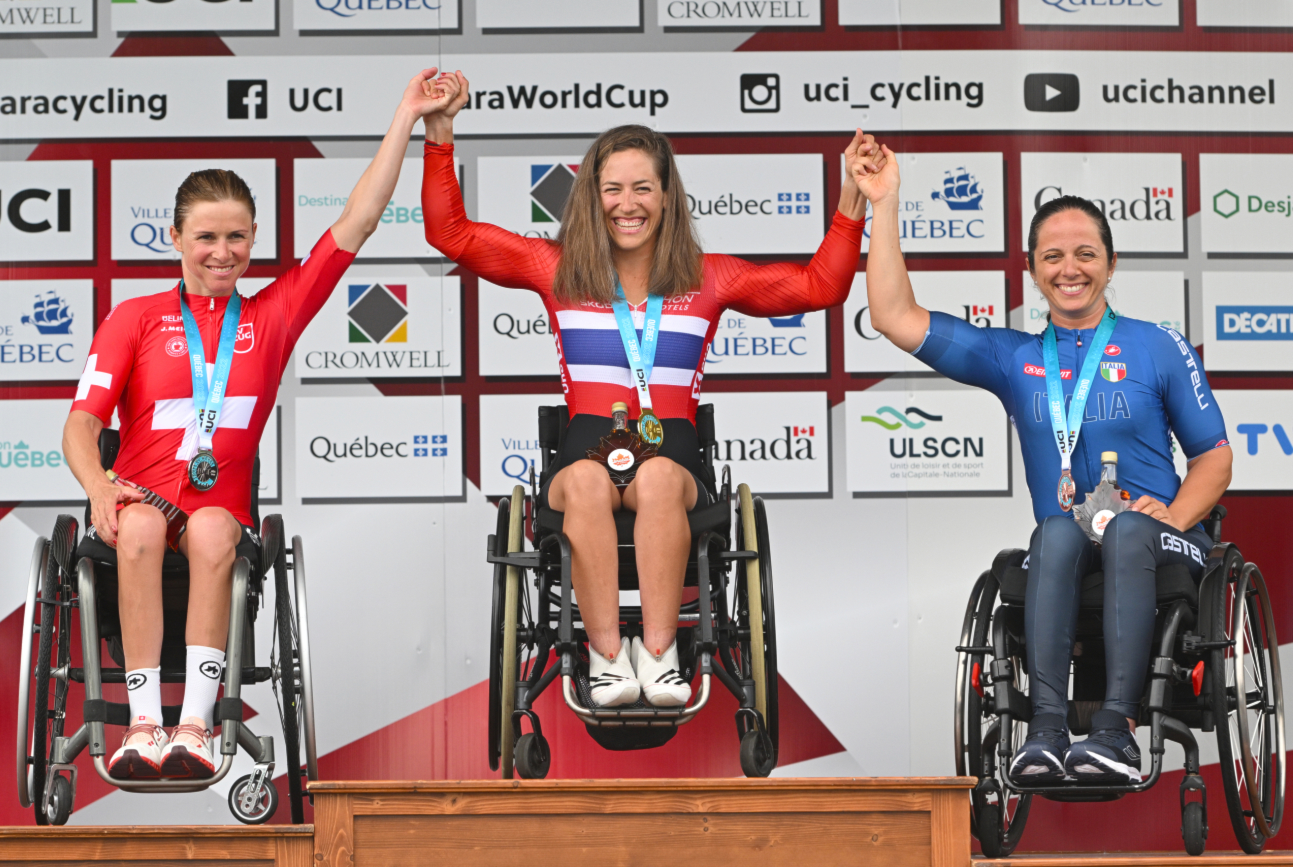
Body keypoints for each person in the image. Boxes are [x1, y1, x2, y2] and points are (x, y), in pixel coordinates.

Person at [419, 71, 882, 709]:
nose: (627, 203)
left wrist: (853, 197)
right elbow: (450, 234)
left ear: (667, 198)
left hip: (674, 454)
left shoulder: (708, 277)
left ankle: (661, 657)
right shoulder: (555, 268)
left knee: (660, 477)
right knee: (586, 483)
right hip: (585, 450)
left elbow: (819, 288)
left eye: (643, 188)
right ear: (592, 197)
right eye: (612, 188)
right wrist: (440, 131)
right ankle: (607, 659)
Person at [63, 68, 449, 781]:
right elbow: (82, 425)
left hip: (219, 512)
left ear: (254, 238)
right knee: (141, 526)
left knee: (214, 527)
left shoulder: (273, 314)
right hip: (138, 506)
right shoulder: (134, 318)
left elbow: (359, 221)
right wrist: (98, 486)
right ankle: (143, 726)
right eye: (206, 236)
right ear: (175, 237)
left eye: (236, 237)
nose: (222, 252)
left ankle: (195, 726)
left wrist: (407, 116)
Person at [856, 149, 1232, 783]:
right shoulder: (1015, 359)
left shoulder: (1157, 344)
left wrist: (1172, 515)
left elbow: (1214, 458)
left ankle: (1115, 732)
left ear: (1111, 263)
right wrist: (885, 203)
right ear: (1031, 270)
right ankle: (1047, 733)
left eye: (1086, 253)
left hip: (1163, 539)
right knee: (1055, 529)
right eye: (1052, 256)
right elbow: (896, 318)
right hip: (1072, 543)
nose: (1070, 268)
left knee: (1128, 529)